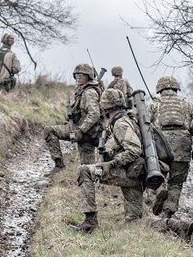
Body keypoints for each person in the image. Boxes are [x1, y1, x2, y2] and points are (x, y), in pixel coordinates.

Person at [71, 88, 166, 232]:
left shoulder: (120, 124)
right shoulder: (128, 119)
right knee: (134, 221)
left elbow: (134, 149)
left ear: (104, 106)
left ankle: (90, 221)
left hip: (129, 172)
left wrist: (111, 164)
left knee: (84, 171)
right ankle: (174, 226)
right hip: (137, 173)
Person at [147, 75, 193, 220]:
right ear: (176, 88)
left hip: (161, 145)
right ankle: (168, 214)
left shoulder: (154, 104)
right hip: (182, 146)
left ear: (159, 89)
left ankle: (160, 190)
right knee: (176, 182)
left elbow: (143, 125)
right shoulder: (186, 104)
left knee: (156, 173)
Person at [44, 63, 102, 172]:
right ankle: (59, 165)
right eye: (77, 75)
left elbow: (94, 114)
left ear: (88, 76)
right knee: (49, 130)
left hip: (86, 133)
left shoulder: (89, 92)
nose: (79, 78)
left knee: (87, 169)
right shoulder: (82, 90)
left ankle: (61, 168)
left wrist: (81, 130)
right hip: (79, 129)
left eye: (82, 75)